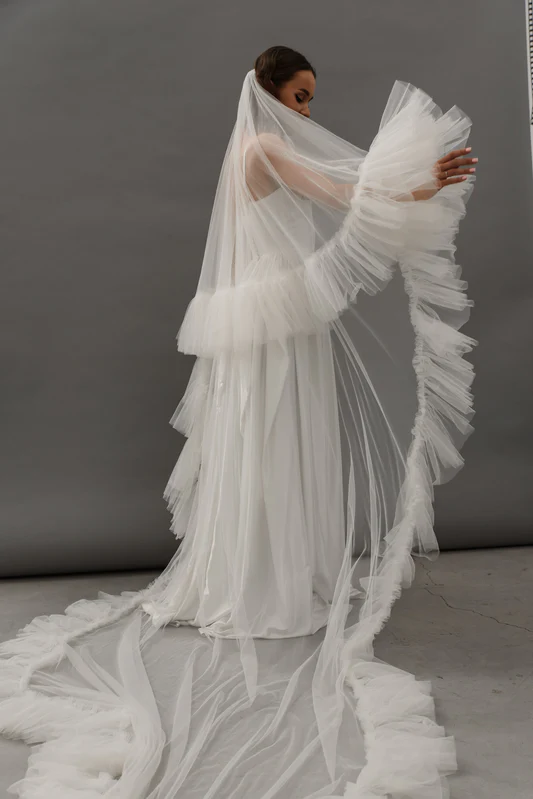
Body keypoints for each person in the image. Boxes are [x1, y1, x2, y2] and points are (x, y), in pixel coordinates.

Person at [0, 46, 478, 798]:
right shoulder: (261, 145)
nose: (305, 110)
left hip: (278, 316)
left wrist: (412, 189)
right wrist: (418, 183)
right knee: (270, 442)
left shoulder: (261, 145)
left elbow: (335, 196)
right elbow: (341, 193)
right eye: (297, 95)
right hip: (270, 324)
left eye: (311, 98)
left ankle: (268, 570)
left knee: (279, 444)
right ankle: (259, 583)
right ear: (267, 93)